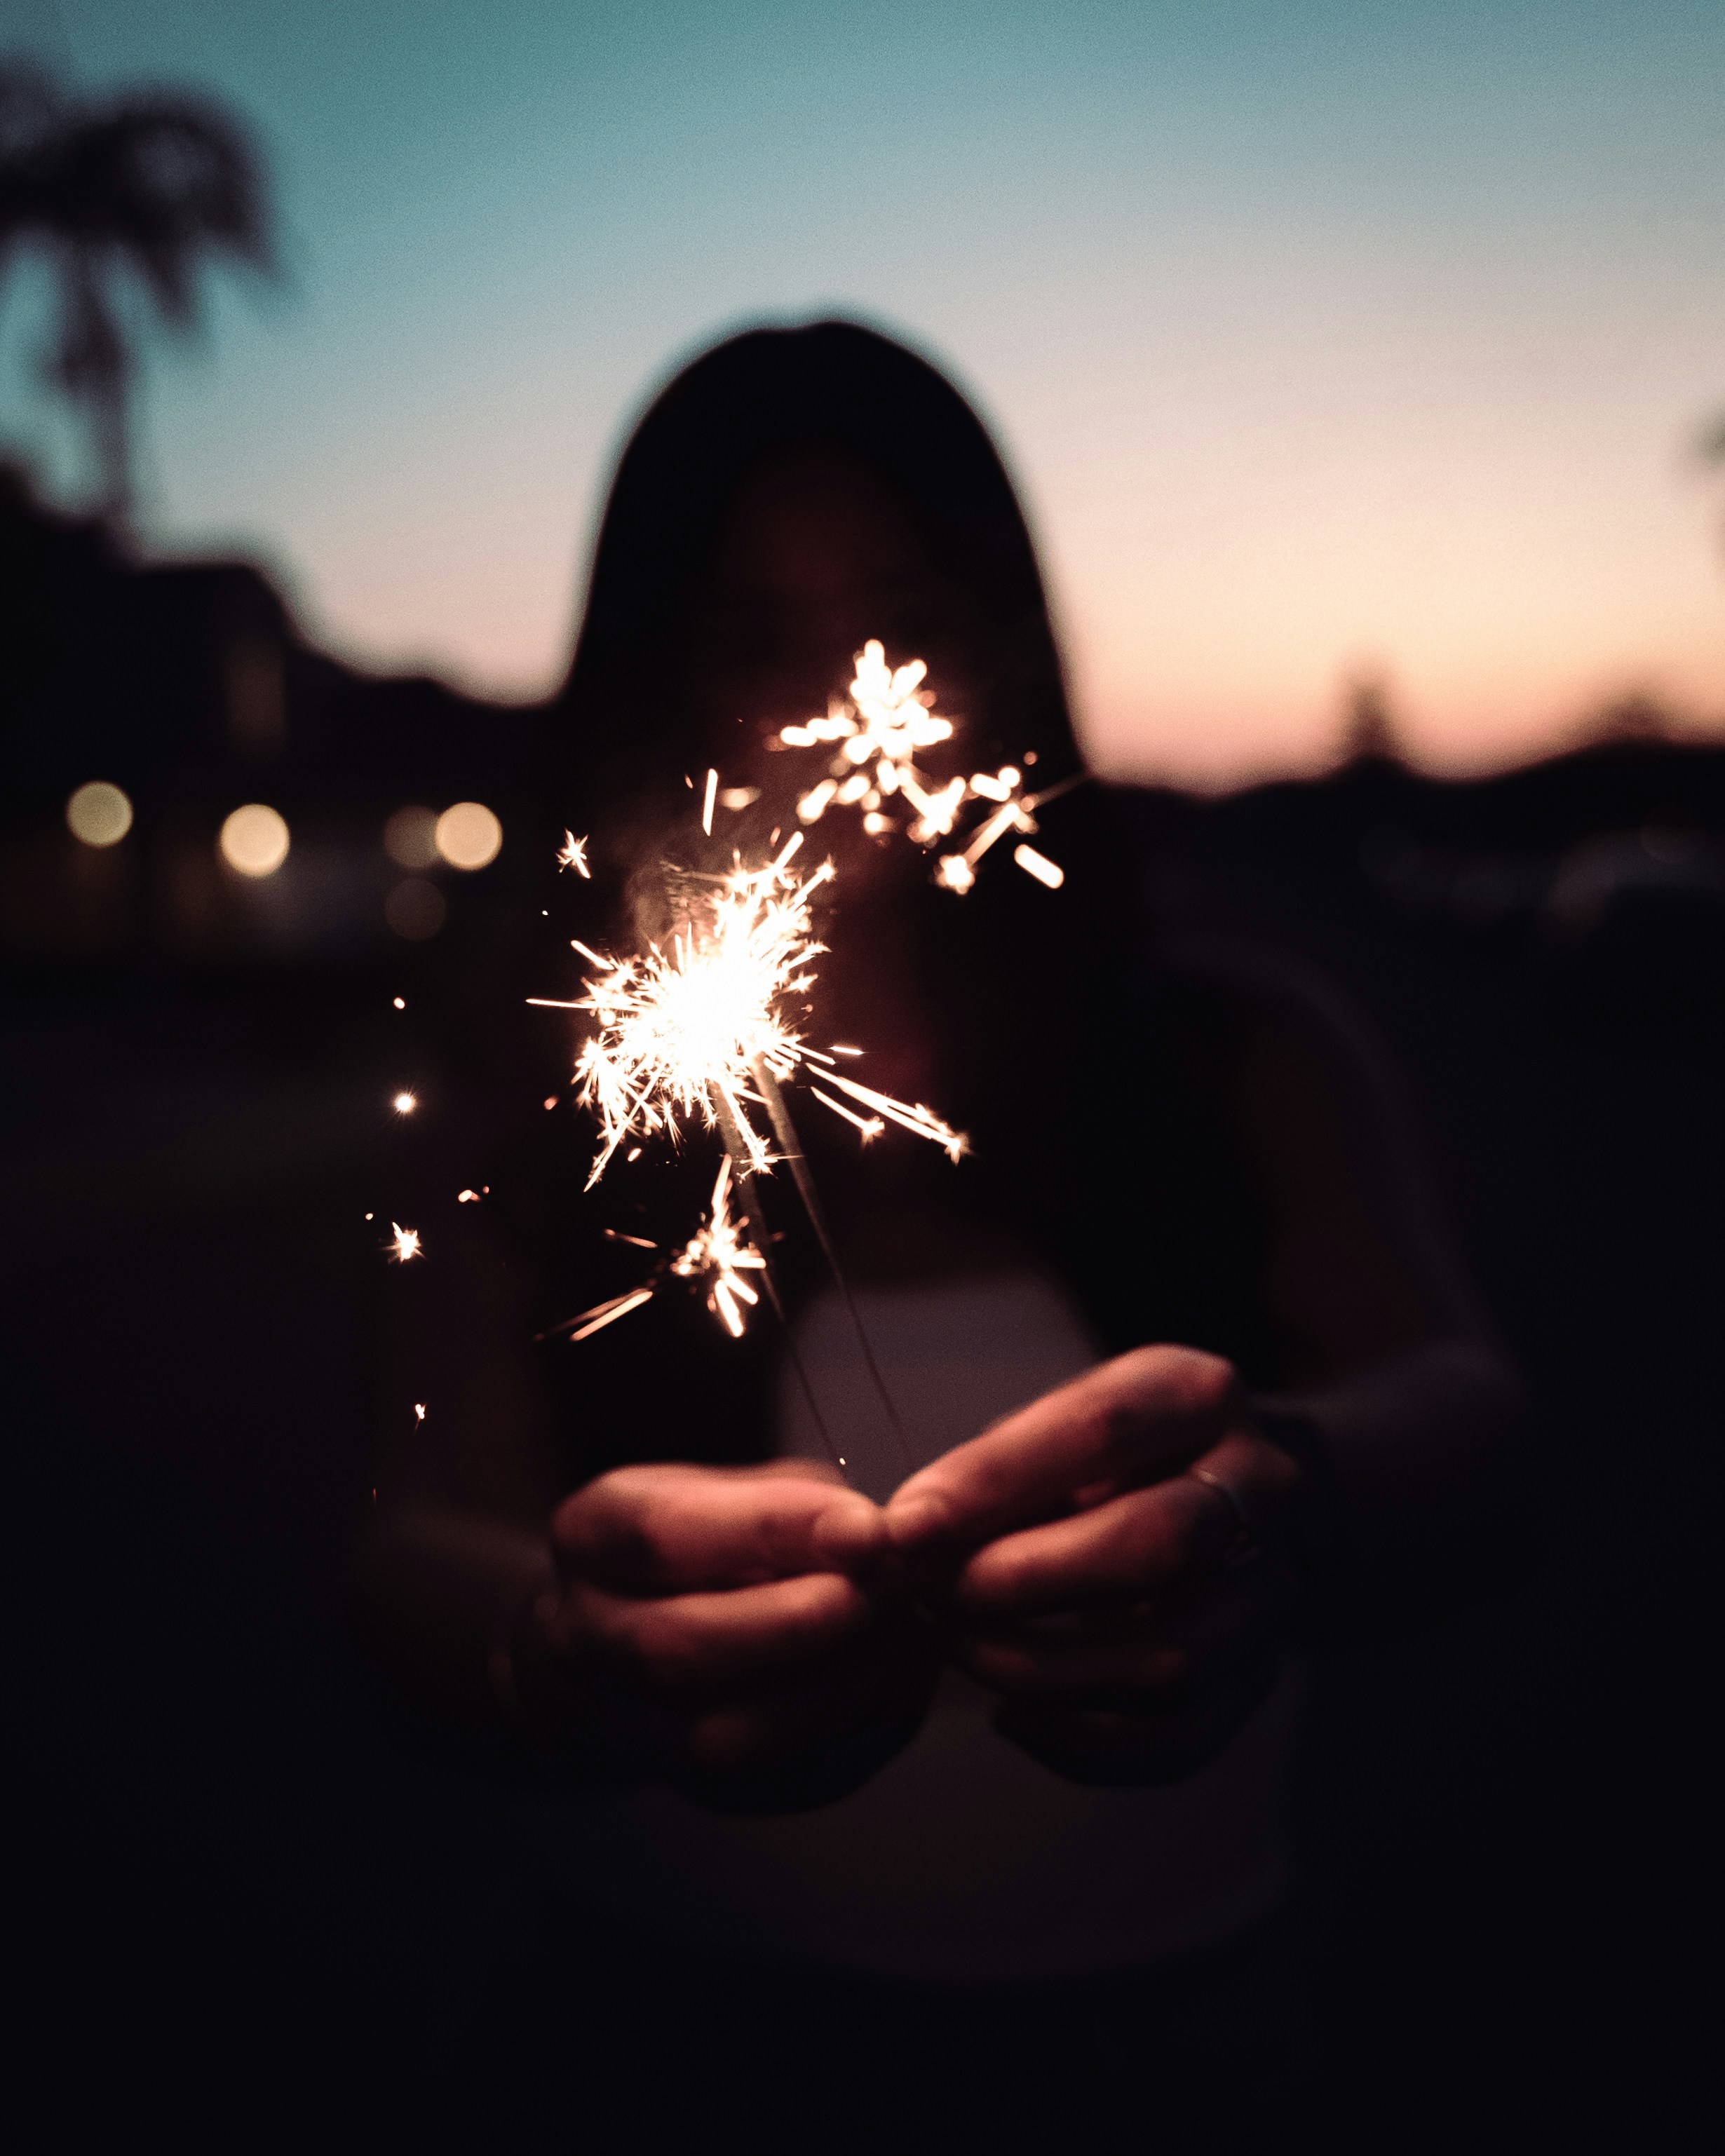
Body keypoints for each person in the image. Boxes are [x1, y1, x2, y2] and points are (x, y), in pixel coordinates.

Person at [356, 321, 1525, 2075]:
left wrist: (1282, 1491)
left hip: (1175, 2038)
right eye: (754, 635)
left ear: (998, 637)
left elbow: (1480, 1415)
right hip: (651, 2033)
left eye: (897, 613)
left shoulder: (1237, 1049)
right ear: (653, 677)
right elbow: (401, 1546)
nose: (841, 702)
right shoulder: (523, 1119)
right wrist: (561, 1643)